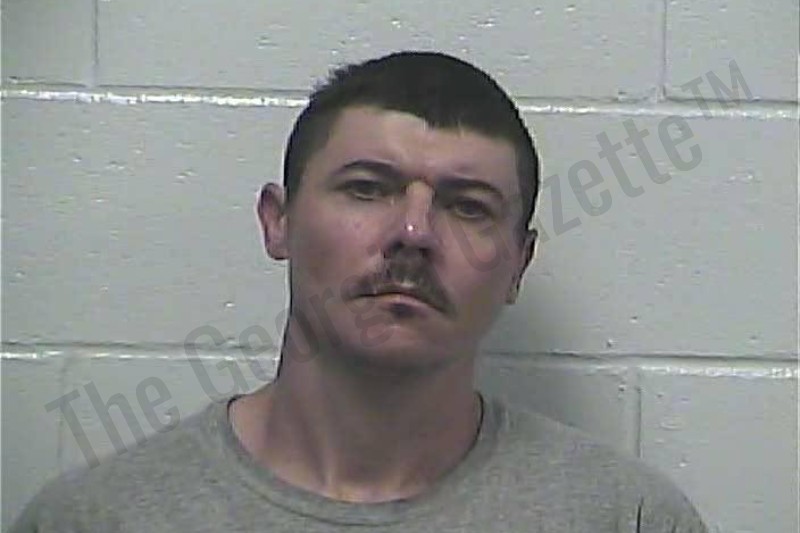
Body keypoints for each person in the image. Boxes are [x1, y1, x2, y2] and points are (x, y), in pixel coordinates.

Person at [10, 51, 707, 532]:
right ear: (279, 222)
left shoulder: (624, 518)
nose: (414, 232)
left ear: (518, 265)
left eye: (467, 206)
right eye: (368, 189)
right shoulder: (100, 518)